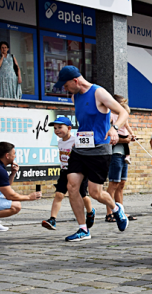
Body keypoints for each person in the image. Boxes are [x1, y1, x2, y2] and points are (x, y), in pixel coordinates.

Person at [54, 65, 130, 241]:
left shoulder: (99, 93)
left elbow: (123, 112)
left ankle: (117, 209)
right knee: (72, 186)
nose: (65, 90)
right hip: (80, 148)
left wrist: (114, 128)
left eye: (65, 86)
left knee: (95, 192)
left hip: (99, 150)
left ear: (75, 81)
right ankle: (83, 229)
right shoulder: (75, 96)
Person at [41, 116, 95, 231]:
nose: (57, 130)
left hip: (78, 172)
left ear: (69, 128)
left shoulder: (76, 140)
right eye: (55, 128)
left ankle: (90, 212)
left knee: (83, 195)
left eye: (60, 127)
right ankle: (52, 219)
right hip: (65, 171)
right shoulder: (60, 142)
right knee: (59, 194)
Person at [105, 95, 137, 223]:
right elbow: (108, 137)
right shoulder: (109, 117)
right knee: (113, 183)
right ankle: (109, 213)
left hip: (124, 153)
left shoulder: (122, 117)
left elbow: (127, 129)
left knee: (121, 184)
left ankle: (120, 211)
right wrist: (125, 139)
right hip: (115, 153)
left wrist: (130, 136)